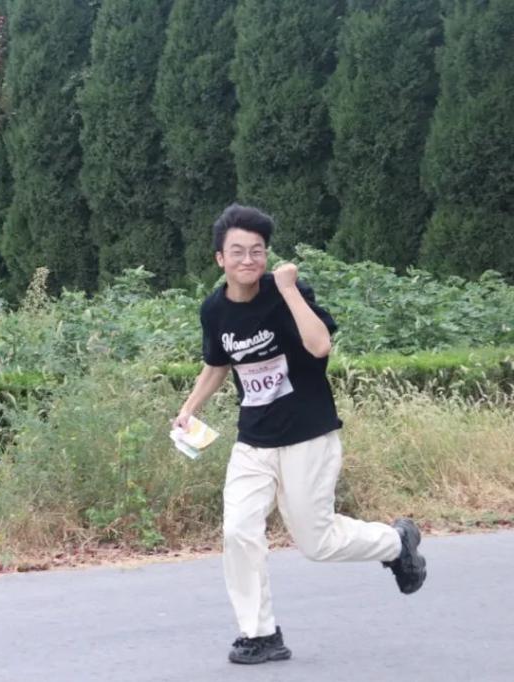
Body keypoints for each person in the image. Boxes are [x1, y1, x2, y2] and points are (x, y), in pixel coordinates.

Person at [172, 204, 427, 665]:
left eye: (257, 251)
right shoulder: (214, 310)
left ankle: (395, 543)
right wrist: (189, 408)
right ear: (219, 259)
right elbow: (217, 365)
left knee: (317, 542)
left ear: (266, 255)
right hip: (253, 440)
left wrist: (289, 290)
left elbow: (319, 345)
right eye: (237, 252)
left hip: (308, 435)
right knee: (238, 530)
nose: (248, 260)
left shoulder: (286, 291)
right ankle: (259, 634)